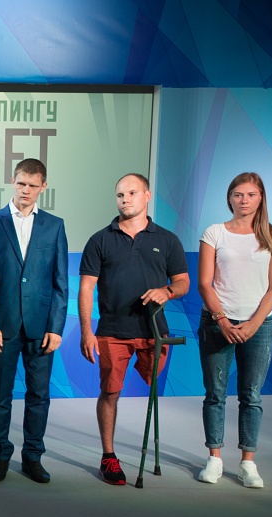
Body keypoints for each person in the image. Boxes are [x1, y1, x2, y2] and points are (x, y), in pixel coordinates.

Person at [78, 173, 190, 485]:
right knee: (110, 392)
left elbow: (183, 282)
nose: (125, 199)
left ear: (147, 196)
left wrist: (167, 291)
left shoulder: (167, 240)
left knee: (152, 384)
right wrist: (87, 331)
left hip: (154, 331)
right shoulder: (100, 240)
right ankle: (108, 456)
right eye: (120, 195)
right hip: (112, 331)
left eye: (132, 193)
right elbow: (86, 288)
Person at [0, 158, 68, 483]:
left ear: (43, 186)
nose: (26, 190)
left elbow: (61, 283)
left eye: (32, 185)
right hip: (4, 326)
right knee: (0, 396)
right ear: (13, 182)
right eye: (21, 183)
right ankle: (0, 456)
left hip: (41, 328)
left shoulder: (55, 226)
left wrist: (56, 328)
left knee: (39, 396)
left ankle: (32, 457)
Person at [196, 173, 272, 489]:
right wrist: (222, 321)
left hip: (259, 326)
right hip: (217, 323)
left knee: (251, 396)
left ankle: (248, 463)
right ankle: (214, 459)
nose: (243, 200)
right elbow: (204, 283)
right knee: (215, 394)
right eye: (238, 194)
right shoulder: (214, 232)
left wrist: (254, 323)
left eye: (250, 194)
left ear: (261, 198)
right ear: (229, 198)